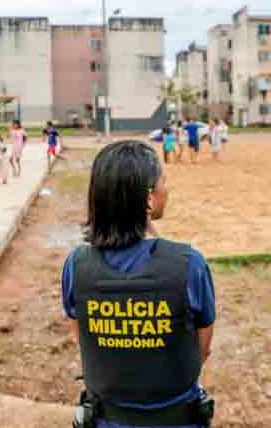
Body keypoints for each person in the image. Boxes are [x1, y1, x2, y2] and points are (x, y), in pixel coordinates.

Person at [61, 141, 216, 428]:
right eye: (163, 183)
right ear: (148, 199)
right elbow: (201, 350)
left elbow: (82, 339)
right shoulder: (189, 265)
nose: (167, 190)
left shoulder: (77, 265)